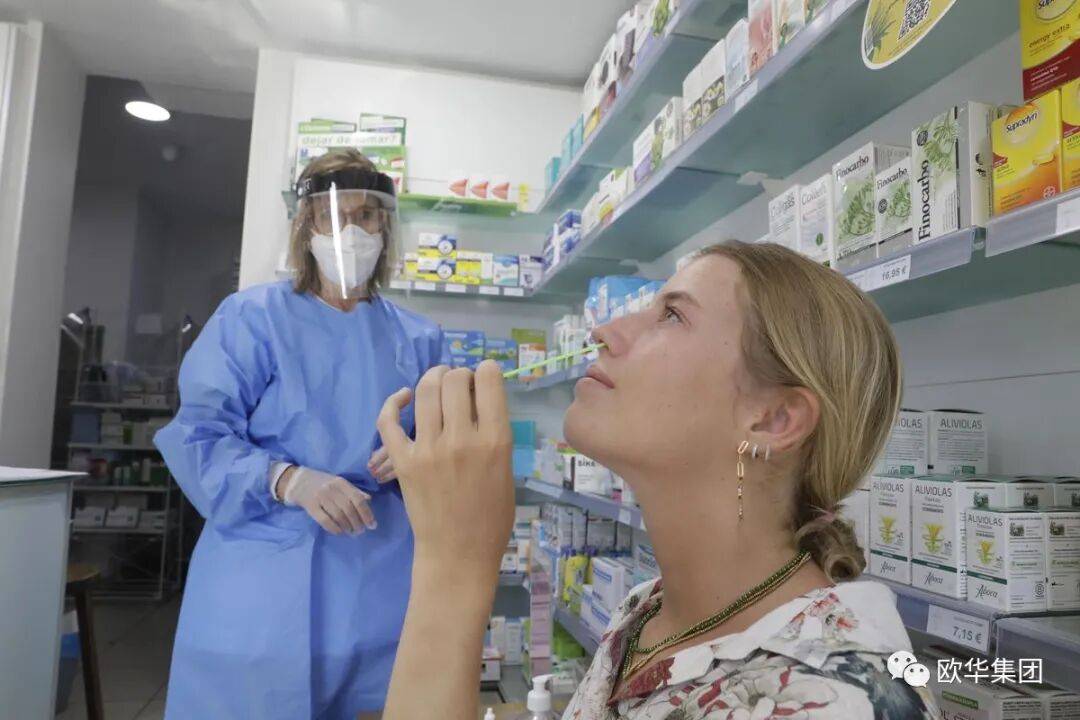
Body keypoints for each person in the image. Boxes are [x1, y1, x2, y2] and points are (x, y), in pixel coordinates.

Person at [374, 241, 939, 719]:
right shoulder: (646, 611)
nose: (603, 331)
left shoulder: (836, 699)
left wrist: (455, 565)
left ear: (772, 419)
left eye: (672, 315)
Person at [154, 149, 447, 719]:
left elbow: (451, 442)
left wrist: (420, 458)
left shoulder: (420, 340)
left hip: (379, 582)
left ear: (384, 225)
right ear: (306, 225)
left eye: (366, 215)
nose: (351, 231)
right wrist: (287, 479)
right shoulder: (252, 319)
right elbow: (199, 435)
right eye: (334, 216)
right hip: (259, 584)